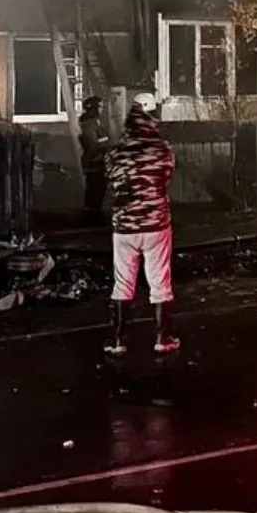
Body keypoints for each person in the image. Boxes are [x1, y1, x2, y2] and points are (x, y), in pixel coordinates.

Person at [104, 103, 179, 355]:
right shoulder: (163, 150)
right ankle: (163, 339)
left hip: (124, 226)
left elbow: (112, 181)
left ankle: (117, 341)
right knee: (160, 280)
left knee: (123, 282)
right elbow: (167, 176)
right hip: (157, 224)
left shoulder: (115, 153)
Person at [78, 96, 111, 225]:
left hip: (98, 160)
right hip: (95, 161)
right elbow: (92, 144)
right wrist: (104, 145)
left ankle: (93, 216)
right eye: (101, 107)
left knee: (98, 189)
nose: (102, 109)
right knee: (95, 190)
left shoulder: (94, 122)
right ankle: (92, 218)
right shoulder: (89, 124)